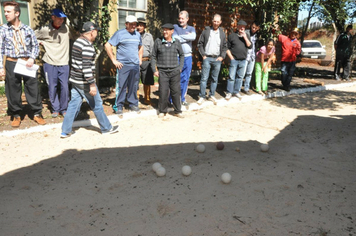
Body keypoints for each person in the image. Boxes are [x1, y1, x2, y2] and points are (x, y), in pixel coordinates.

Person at [61, 22, 119, 138]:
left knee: (73, 105)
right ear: (92, 32)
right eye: (96, 31)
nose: (97, 34)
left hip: (75, 80)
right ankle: (106, 128)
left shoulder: (77, 42)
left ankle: (65, 130)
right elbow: (86, 67)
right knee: (97, 104)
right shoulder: (87, 45)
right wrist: (92, 84)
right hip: (85, 82)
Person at [0, 1, 46, 128]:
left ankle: (37, 113)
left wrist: (32, 58)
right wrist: (0, 67)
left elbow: (35, 46)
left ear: (17, 13)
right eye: (5, 12)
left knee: (32, 87)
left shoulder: (27, 29)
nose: (6, 14)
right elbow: (0, 49)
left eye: (8, 11)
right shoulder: (3, 29)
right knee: (13, 89)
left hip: (27, 63)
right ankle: (15, 114)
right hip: (11, 62)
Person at [35, 8, 72, 118]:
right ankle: (55, 109)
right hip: (49, 62)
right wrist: (39, 42)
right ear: (53, 17)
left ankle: (64, 108)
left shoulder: (67, 29)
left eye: (63, 18)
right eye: (59, 18)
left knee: (65, 86)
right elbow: (31, 36)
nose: (61, 20)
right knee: (52, 86)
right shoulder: (45, 29)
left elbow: (76, 35)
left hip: (64, 62)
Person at [105, 15, 143, 117]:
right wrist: (114, 60)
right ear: (126, 24)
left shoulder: (138, 35)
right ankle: (119, 106)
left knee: (133, 86)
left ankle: (133, 104)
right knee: (121, 86)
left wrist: (140, 59)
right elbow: (107, 45)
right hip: (123, 65)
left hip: (135, 65)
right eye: (131, 24)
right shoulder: (119, 34)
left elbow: (140, 46)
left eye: (134, 24)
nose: (133, 26)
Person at [151, 23, 185, 118]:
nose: (165, 32)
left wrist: (180, 67)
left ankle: (178, 110)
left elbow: (182, 55)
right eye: (164, 30)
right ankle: (162, 110)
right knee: (163, 91)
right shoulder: (158, 41)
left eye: (167, 30)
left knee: (176, 91)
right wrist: (154, 69)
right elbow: (153, 56)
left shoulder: (177, 42)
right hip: (163, 72)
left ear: (172, 31)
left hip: (175, 71)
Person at [197, 14, 227, 105]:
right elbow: (200, 44)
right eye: (214, 21)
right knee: (204, 78)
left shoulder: (222, 33)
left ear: (220, 22)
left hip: (217, 59)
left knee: (215, 79)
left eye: (218, 21)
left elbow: (225, 47)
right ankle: (202, 96)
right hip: (207, 58)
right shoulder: (206, 31)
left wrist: (222, 56)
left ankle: (211, 95)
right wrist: (203, 55)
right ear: (212, 21)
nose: (216, 23)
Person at [173, 10, 196, 106]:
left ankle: (182, 98)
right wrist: (186, 37)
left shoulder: (191, 28)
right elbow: (175, 38)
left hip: (187, 57)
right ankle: (172, 100)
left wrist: (181, 37)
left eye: (182, 18)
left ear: (187, 19)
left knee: (185, 78)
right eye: (179, 18)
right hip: (177, 57)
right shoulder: (175, 27)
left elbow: (193, 37)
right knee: (175, 78)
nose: (180, 20)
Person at [225, 19, 252, 100]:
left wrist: (245, 37)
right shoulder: (232, 36)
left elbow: (250, 46)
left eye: (243, 27)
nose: (242, 28)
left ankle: (236, 92)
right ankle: (229, 92)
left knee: (240, 77)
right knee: (231, 77)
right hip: (234, 60)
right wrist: (231, 58)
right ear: (237, 27)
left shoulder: (246, 36)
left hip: (243, 60)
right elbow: (226, 48)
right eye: (240, 26)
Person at [136, 17, 154, 105]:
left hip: (146, 61)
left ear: (144, 27)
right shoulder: (133, 35)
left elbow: (152, 49)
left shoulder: (149, 36)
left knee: (147, 80)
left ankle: (147, 98)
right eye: (138, 25)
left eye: (141, 25)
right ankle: (136, 99)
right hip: (135, 61)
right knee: (135, 80)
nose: (139, 27)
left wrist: (153, 63)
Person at [243, 21, 260, 95]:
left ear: (258, 28)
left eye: (255, 28)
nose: (253, 29)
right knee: (242, 73)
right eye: (253, 27)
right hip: (245, 55)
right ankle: (237, 88)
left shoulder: (258, 35)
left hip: (252, 56)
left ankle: (246, 88)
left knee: (249, 73)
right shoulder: (246, 32)